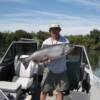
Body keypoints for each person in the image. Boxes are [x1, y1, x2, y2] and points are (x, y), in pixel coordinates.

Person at [40, 24, 69, 100]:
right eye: (53, 29)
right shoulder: (46, 42)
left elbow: (67, 53)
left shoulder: (65, 41)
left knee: (60, 92)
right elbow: (42, 57)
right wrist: (44, 60)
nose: (55, 31)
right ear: (50, 31)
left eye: (56, 29)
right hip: (49, 70)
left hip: (61, 70)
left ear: (59, 30)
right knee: (44, 90)